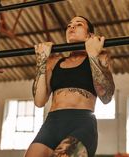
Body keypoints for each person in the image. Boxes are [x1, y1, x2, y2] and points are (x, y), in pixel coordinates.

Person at [24, 16, 115, 157]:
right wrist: (41, 60)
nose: (71, 27)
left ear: (90, 35)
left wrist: (92, 55)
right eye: (69, 25)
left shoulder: (100, 57)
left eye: (79, 24)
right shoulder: (53, 62)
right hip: (52, 123)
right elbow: (39, 101)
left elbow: (106, 96)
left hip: (82, 123)